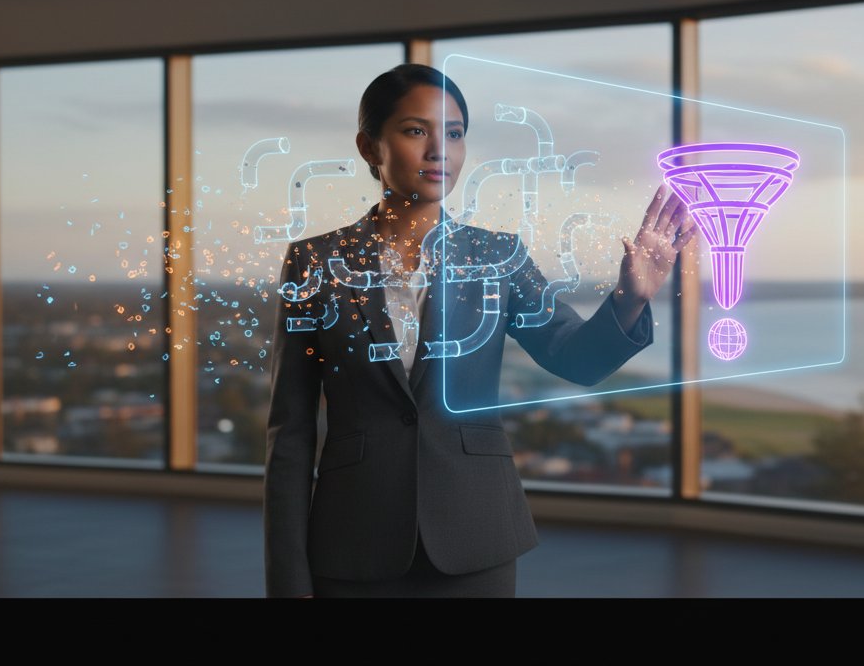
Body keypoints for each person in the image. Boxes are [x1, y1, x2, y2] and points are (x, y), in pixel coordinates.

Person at [263, 64, 696, 597]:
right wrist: (287, 581)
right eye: (416, 130)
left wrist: (632, 296)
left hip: (476, 535)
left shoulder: (499, 256)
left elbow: (575, 359)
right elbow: (291, 432)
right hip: (354, 539)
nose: (439, 150)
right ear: (370, 146)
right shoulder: (316, 261)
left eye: (454, 133)